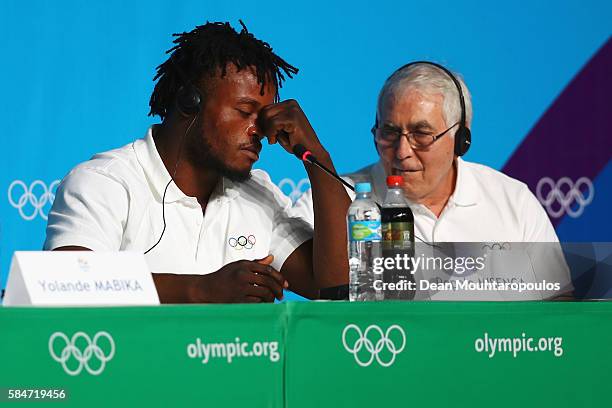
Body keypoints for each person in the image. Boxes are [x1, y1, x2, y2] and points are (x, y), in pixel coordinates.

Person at [44, 21, 351, 303]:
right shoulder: (105, 181)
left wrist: (316, 156)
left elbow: (334, 287)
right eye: (245, 112)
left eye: (265, 117)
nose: (261, 132)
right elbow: (68, 284)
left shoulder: (258, 193)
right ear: (189, 101)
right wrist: (200, 289)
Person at [294, 61, 573, 299]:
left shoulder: (512, 202)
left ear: (461, 139)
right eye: (389, 132)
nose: (402, 152)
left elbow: (559, 303)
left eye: (421, 134)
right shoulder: (335, 199)